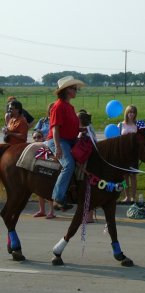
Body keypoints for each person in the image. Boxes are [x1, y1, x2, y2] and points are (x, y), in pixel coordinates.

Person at [46, 75, 85, 211]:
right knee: (68, 165)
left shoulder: (69, 106)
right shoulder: (58, 106)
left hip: (70, 140)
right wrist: (57, 147)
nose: (76, 91)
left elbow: (71, 126)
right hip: (58, 140)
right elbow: (55, 128)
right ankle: (57, 198)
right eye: (74, 88)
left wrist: (83, 129)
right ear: (67, 90)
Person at [31, 130, 57, 219]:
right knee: (40, 191)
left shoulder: (47, 144)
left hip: (49, 171)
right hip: (39, 171)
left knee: (48, 191)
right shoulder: (33, 147)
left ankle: (52, 211)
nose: (37, 139)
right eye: (34, 137)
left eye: (39, 137)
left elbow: (53, 157)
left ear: (43, 137)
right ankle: (42, 210)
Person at [118, 105, 138, 203]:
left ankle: (134, 196)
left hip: (134, 154)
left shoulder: (138, 124)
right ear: (126, 113)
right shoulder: (121, 125)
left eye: (133, 112)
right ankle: (127, 196)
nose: (132, 114)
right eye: (130, 112)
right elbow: (116, 140)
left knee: (133, 176)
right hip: (123, 155)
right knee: (124, 177)